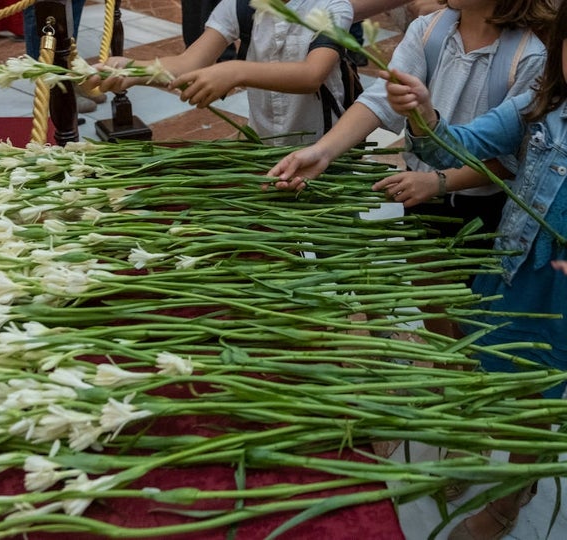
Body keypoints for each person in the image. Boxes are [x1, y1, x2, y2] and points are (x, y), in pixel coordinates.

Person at [381, 0, 567, 535]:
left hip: (560, 296)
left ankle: (510, 498)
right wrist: (424, 116)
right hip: (517, 273)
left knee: (538, 396)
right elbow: (457, 146)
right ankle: (496, 449)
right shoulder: (540, 104)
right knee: (501, 372)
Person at [268, 0, 552, 338]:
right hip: (420, 198)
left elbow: (515, 160)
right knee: (429, 294)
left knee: (470, 310)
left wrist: (440, 181)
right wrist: (323, 152)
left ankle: (463, 369)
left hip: (484, 209)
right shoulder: (430, 30)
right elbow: (381, 100)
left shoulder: (530, 57)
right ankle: (445, 363)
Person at [81, 0, 354, 146]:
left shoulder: (332, 7)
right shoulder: (237, 6)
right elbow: (189, 62)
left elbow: (311, 75)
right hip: (263, 142)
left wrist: (236, 70)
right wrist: (133, 70)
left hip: (326, 147)